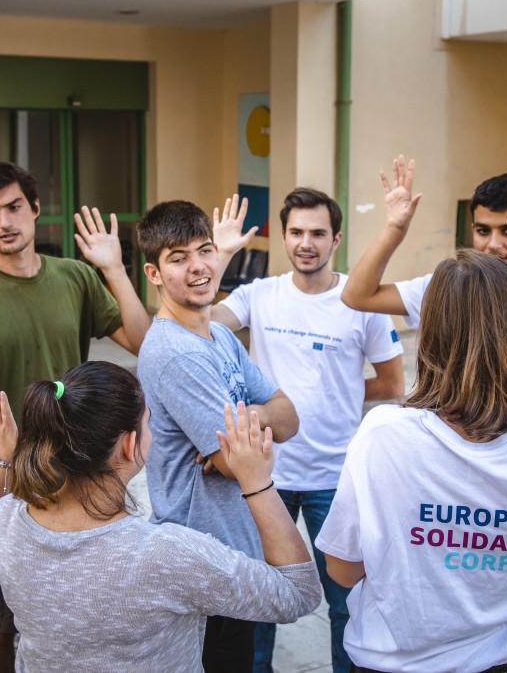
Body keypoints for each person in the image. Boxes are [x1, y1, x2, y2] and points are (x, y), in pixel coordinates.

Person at [315, 164, 507, 672]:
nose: (497, 242)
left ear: (430, 337)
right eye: (485, 229)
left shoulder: (384, 435)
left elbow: (344, 570)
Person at [0, 362, 322, 672]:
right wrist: (256, 481)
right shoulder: (165, 555)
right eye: (149, 422)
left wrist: (2, 457)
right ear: (129, 445)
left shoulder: (8, 523)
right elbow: (297, 594)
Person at [0, 161, 151, 671]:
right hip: (2, 479)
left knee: (83, 614)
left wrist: (115, 269)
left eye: (14, 207)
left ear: (35, 209)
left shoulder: (74, 277)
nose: (4, 221)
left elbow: (145, 343)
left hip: (79, 475)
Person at [211, 188, 404, 673]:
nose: (306, 242)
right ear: (284, 237)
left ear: (335, 238)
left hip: (336, 478)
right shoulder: (260, 295)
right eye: (296, 232)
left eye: (317, 233)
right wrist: (219, 257)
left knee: (347, 603)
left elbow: (392, 382)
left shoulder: (361, 301)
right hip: (265, 477)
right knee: (260, 599)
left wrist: (334, 393)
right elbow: (198, 324)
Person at [136, 199, 300, 672]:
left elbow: (289, 418)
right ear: (153, 273)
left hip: (233, 552)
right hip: (203, 561)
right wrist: (247, 437)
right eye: (178, 258)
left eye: (204, 250)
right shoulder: (176, 354)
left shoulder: (221, 337)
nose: (198, 267)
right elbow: (236, 464)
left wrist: (245, 420)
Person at [341, 156, 507, 387]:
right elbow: (356, 295)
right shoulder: (448, 288)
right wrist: (394, 229)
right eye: (483, 231)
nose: (493, 244)